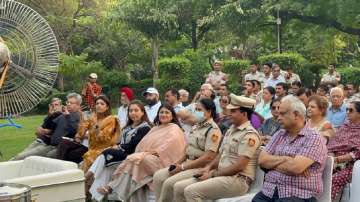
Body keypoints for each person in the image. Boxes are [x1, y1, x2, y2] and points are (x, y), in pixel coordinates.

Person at [178, 94, 260, 202]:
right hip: (223, 175)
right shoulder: (231, 130)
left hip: (238, 180)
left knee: (191, 191)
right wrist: (208, 168)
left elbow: (239, 166)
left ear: (244, 114)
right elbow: (221, 154)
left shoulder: (249, 135)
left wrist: (212, 174)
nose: (229, 114)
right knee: (179, 187)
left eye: (233, 111)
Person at [96, 103, 186, 202]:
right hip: (149, 157)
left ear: (172, 115)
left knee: (140, 160)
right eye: (161, 112)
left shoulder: (174, 128)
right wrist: (140, 153)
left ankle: (112, 188)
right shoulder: (155, 128)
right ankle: (113, 189)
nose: (163, 115)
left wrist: (147, 153)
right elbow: (142, 144)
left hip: (164, 161)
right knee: (133, 158)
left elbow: (167, 147)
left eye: (166, 112)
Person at [252, 95, 328, 202]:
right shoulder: (280, 134)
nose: (278, 118)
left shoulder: (314, 138)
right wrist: (286, 159)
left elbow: (295, 168)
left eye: (282, 114)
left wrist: (272, 164)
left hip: (298, 195)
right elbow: (262, 160)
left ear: (296, 115)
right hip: (269, 191)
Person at [153, 98, 222, 202]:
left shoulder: (213, 130)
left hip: (199, 166)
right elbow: (188, 148)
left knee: (170, 183)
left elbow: (209, 157)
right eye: (195, 109)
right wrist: (177, 163)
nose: (196, 112)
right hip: (187, 162)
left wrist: (182, 167)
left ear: (209, 112)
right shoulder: (196, 126)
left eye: (199, 110)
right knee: (158, 176)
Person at [87, 100, 152, 201]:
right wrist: (116, 146)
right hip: (122, 154)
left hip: (132, 157)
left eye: (136, 110)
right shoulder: (127, 127)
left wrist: (117, 147)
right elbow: (120, 142)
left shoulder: (145, 128)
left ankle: (88, 176)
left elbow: (133, 145)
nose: (133, 113)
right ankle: (97, 197)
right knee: (106, 166)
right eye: (130, 111)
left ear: (143, 112)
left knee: (106, 153)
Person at [12, 93, 82, 160]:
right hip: (49, 145)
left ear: (78, 105)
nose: (68, 104)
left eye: (71, 103)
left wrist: (68, 117)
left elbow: (76, 131)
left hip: (59, 148)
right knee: (20, 157)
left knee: (24, 158)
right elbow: (49, 127)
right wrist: (50, 115)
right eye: (67, 102)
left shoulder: (80, 117)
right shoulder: (62, 115)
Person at [72, 95, 120, 172]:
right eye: (97, 103)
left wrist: (97, 129)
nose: (99, 106)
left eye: (102, 104)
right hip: (92, 150)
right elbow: (81, 133)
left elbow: (104, 138)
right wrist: (82, 120)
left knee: (88, 159)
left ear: (107, 107)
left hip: (105, 149)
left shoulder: (111, 119)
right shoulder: (92, 118)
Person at [327, 101, 360, 200]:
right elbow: (332, 144)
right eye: (346, 110)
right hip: (332, 160)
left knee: (332, 180)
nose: (347, 112)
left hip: (351, 166)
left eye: (351, 110)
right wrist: (331, 158)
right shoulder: (345, 126)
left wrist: (336, 160)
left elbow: (356, 153)